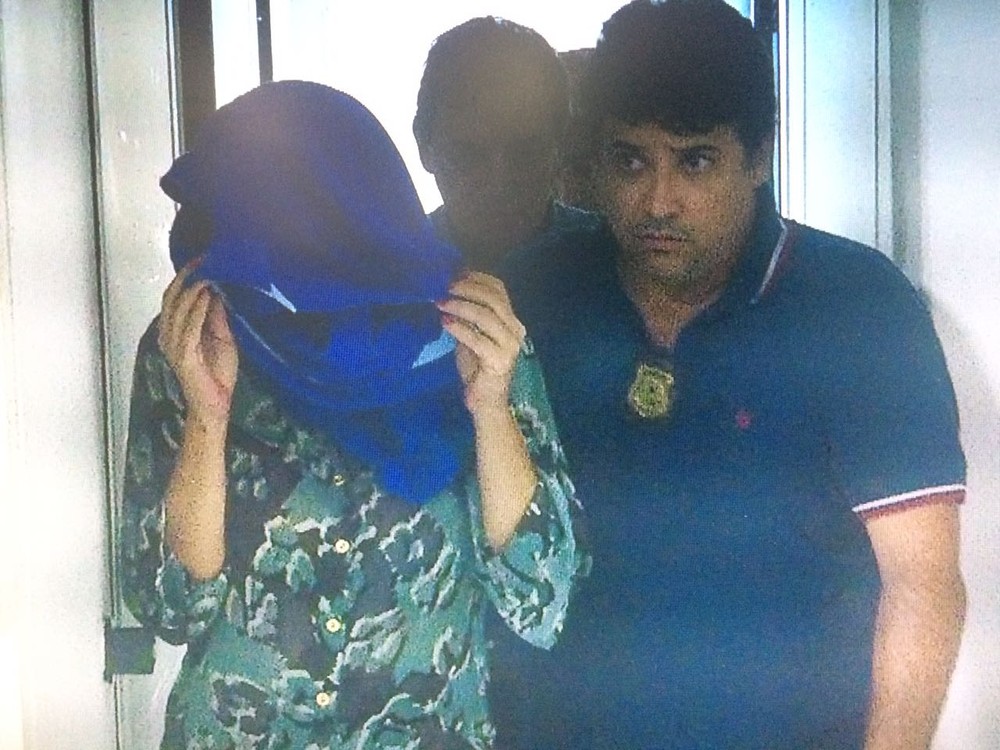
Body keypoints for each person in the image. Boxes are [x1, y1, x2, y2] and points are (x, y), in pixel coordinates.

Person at [492, 1, 968, 748]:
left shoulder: (859, 307)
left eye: (696, 161)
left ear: (758, 157)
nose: (658, 201)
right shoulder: (532, 295)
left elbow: (921, 586)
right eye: (631, 160)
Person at [119, 80, 586, 749]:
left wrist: (490, 410)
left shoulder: (474, 337)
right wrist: (207, 418)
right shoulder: (192, 344)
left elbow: (540, 603)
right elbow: (170, 610)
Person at [413, 16, 600, 274]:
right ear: (425, 147)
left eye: (526, 154)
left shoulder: (626, 268)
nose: (499, 183)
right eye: (467, 157)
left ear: (560, 147)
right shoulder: (388, 273)